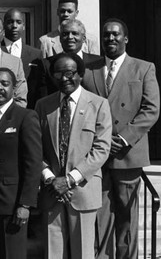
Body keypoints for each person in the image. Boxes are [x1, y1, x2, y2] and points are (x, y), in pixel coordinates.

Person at [82, 19, 160, 259]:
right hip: (97, 155)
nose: (111, 39)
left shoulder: (143, 68)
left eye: (116, 35)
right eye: (106, 35)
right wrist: (100, 141)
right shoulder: (88, 69)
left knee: (126, 220)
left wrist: (124, 139)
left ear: (126, 39)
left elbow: (151, 109)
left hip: (127, 155)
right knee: (100, 217)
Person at [35, 52, 112, 259]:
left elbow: (101, 149)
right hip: (52, 192)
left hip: (83, 191)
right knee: (52, 252)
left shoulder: (98, 104)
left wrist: (69, 180)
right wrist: (51, 179)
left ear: (80, 74)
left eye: (69, 73)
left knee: (83, 253)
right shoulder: (43, 105)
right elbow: (36, 149)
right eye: (58, 73)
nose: (64, 78)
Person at [0, 68, 42, 259]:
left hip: (11, 203)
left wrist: (25, 204)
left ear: (14, 87)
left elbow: (33, 163)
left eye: (5, 84)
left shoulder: (25, 117)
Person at [28, 19, 99, 108]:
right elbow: (39, 99)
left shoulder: (98, 63)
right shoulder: (46, 64)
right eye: (65, 34)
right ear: (60, 39)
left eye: (74, 33)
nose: (70, 37)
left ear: (83, 38)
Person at [2, 8, 42, 78]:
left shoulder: (36, 54)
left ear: (23, 26)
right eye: (10, 22)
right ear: (4, 25)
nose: (14, 26)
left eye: (18, 22)